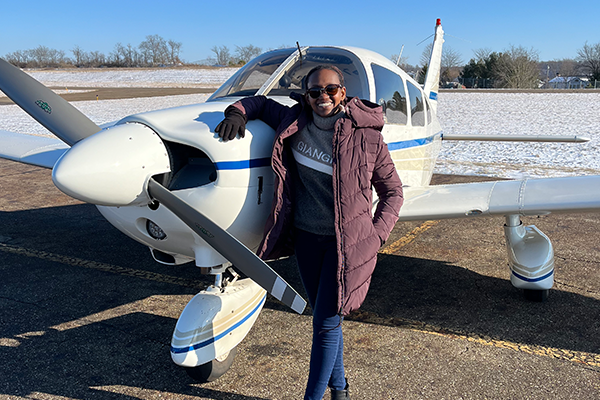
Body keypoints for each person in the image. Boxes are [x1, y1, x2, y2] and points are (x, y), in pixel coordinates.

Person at [215, 65, 403, 400]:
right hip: (306, 239)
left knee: (325, 324)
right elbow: (256, 103)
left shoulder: (367, 136)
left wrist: (376, 236)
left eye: (331, 90)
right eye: (315, 91)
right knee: (325, 320)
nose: (323, 97)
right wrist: (236, 114)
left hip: (345, 246)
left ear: (343, 92)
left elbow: (393, 192)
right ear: (306, 95)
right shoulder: (293, 122)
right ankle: (340, 390)